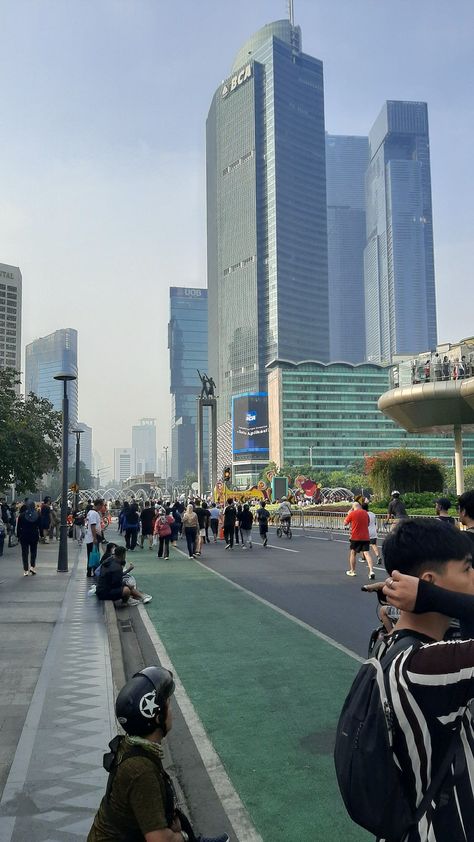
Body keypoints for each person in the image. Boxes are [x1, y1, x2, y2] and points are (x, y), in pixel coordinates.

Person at [369, 519, 474, 840]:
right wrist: (441, 599)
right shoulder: (429, 666)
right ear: (428, 582)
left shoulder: (389, 640)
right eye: (468, 569)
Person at [87, 666, 229, 842]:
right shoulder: (141, 771)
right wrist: (182, 836)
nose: (171, 712)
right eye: (168, 705)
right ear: (157, 718)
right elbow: (159, 840)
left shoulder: (133, 746)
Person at [344, 501, 374, 579]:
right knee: (367, 553)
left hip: (355, 536)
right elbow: (367, 524)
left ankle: (352, 571)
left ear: (353, 507)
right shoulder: (365, 513)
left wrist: (348, 514)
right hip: (365, 536)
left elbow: (345, 523)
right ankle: (371, 571)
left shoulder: (352, 513)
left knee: (353, 553)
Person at [16, 500, 41, 576]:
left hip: (24, 535)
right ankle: (32, 567)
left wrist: (18, 535)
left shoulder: (22, 515)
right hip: (34, 535)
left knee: (24, 553)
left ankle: (25, 570)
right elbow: (40, 526)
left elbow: (19, 527)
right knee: (33, 552)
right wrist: (42, 535)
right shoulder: (37, 515)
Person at [85, 499, 104, 578]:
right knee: (93, 555)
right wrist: (95, 538)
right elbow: (93, 526)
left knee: (92, 554)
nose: (102, 507)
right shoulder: (93, 513)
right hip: (92, 538)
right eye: (102, 505)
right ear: (98, 505)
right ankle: (92, 571)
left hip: (90, 537)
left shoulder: (91, 512)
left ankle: (91, 571)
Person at [361, 501, 382, 565]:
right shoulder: (372, 514)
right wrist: (377, 528)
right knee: (374, 545)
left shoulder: (362, 514)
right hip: (373, 531)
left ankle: (363, 557)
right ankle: (378, 557)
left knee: (362, 544)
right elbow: (376, 522)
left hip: (365, 531)